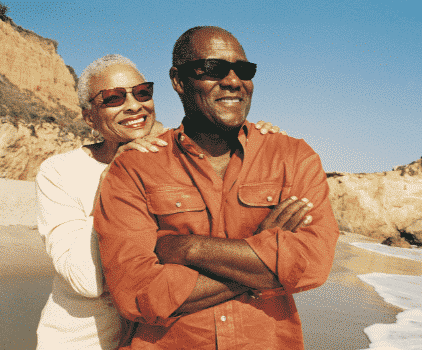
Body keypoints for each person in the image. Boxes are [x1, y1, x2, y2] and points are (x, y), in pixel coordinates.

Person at [94, 26, 340, 349]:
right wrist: (262, 261)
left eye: (244, 70)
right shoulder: (133, 169)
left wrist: (185, 248)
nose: (234, 81)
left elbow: (311, 263)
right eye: (214, 69)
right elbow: (137, 292)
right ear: (178, 80)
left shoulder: (293, 158)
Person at [35, 53, 282, 350]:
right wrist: (113, 178)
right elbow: (87, 282)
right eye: (113, 98)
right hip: (81, 340)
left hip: (152, 339)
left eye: (142, 93)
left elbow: (221, 231)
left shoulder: (177, 156)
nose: (133, 105)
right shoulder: (60, 172)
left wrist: (252, 139)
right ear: (89, 116)